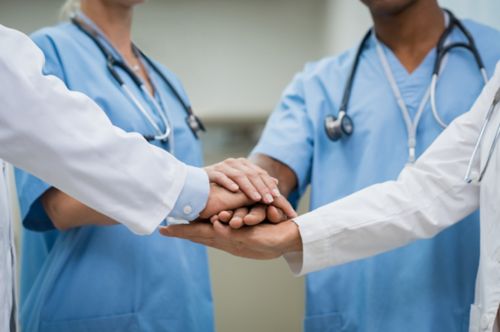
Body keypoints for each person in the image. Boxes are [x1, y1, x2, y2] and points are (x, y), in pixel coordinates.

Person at [165, 1, 500, 331]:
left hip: (459, 310)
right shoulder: (319, 83)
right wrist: (246, 186)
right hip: (353, 314)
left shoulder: (493, 58)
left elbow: (429, 191)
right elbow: (274, 167)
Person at [11, 1, 294, 331]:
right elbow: (57, 206)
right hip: (91, 310)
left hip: (182, 308)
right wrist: (192, 195)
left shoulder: (166, 79)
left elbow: (196, 195)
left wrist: (233, 200)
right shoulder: (43, 54)